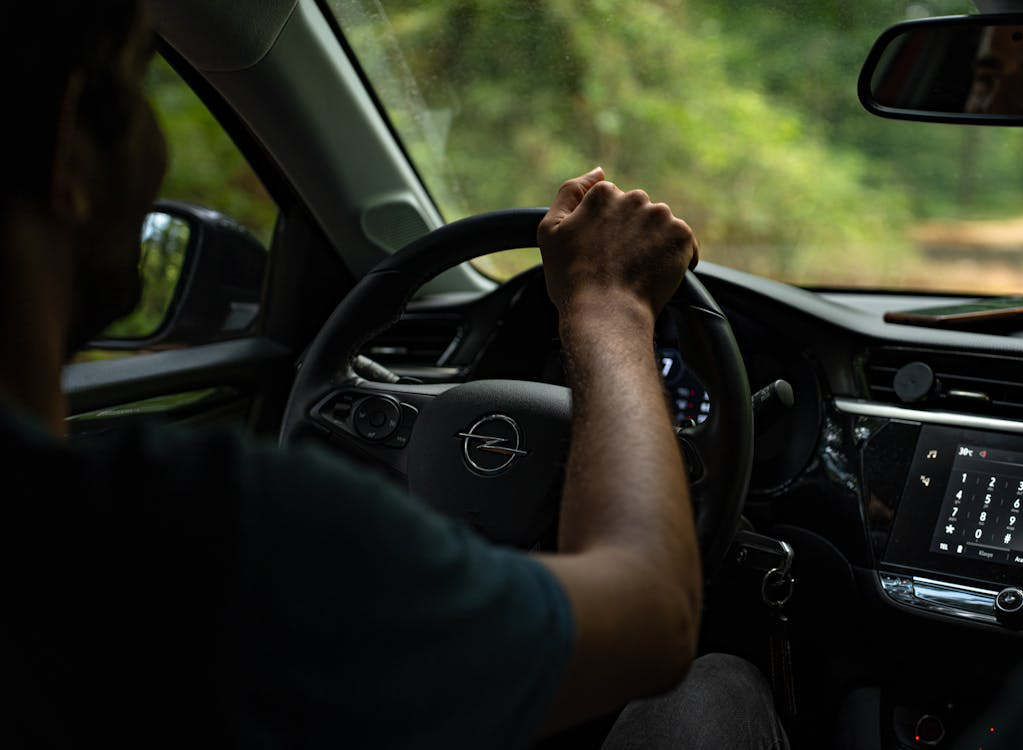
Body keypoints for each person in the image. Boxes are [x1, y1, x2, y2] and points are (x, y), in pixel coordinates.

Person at [0, 1, 788, 747]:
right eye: (144, 87)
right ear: (71, 145)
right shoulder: (212, 527)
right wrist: (609, 306)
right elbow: (652, 617)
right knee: (712, 688)